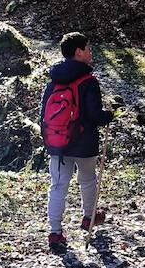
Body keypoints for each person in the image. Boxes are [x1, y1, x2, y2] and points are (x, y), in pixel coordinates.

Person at [39, 31, 115, 253]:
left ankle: (55, 232)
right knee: (88, 180)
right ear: (79, 52)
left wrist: (51, 139)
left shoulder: (53, 82)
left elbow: (43, 114)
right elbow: (93, 115)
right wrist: (109, 115)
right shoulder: (88, 81)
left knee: (58, 185)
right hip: (84, 142)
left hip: (58, 143)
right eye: (88, 49)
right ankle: (88, 218)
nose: (91, 53)